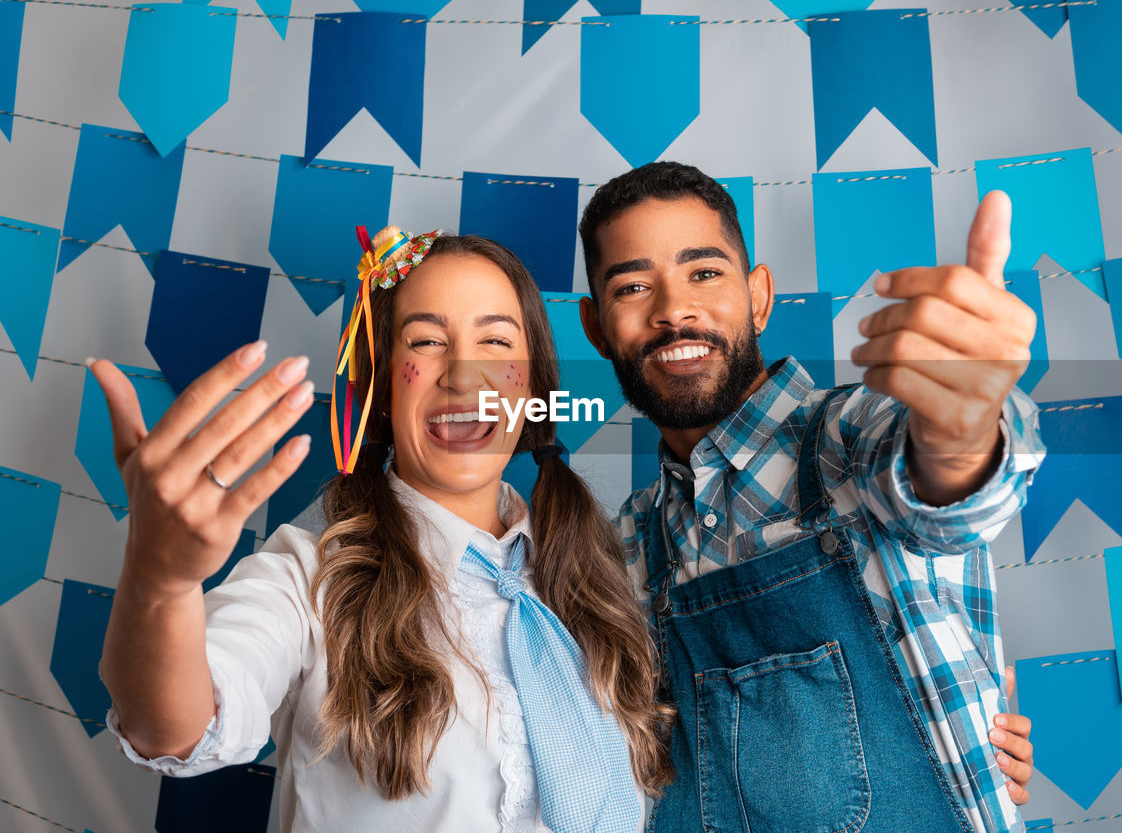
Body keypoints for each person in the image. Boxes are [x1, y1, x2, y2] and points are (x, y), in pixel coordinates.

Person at [94, 230, 671, 832]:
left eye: (496, 341)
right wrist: (159, 585)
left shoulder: (600, 572)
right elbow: (175, 727)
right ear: (382, 387)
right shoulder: (311, 574)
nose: (463, 375)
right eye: (426, 341)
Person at [576, 161, 1046, 833]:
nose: (674, 309)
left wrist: (961, 431)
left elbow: (949, 491)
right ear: (596, 327)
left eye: (704, 272)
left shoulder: (847, 440)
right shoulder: (626, 547)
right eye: (634, 285)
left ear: (759, 295)